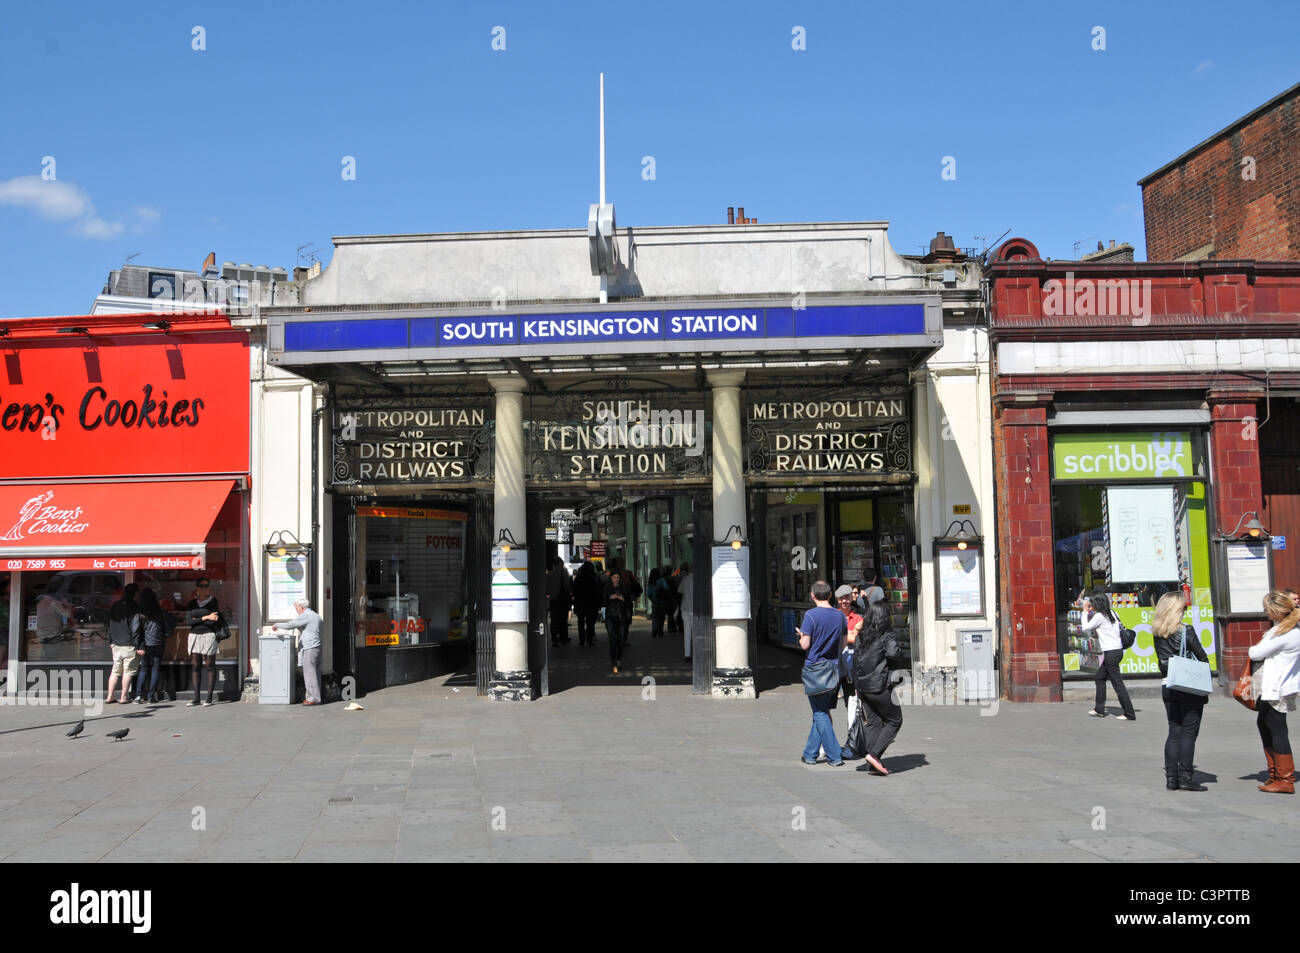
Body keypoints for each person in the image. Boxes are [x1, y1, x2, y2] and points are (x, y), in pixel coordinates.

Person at [1151, 591, 1209, 791]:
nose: (1185, 610)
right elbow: (1203, 658)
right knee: (1188, 733)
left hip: (1168, 685)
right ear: (1177, 610)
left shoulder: (1158, 631)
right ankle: (1185, 778)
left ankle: (1171, 778)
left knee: (1174, 731)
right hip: (1188, 686)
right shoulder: (1186, 631)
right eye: (1183, 607)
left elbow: (1163, 661)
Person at [1248, 589, 1300, 794]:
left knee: (1277, 729)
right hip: (1278, 686)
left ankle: (1284, 779)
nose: (1265, 613)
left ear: (1276, 611)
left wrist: (1259, 644)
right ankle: (1275, 774)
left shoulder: (1286, 633)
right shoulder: (1286, 629)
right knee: (1265, 724)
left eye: (1267, 609)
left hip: (1277, 687)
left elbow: (1256, 652)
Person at [853, 585, 901, 774]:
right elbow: (893, 653)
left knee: (873, 722)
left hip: (863, 685)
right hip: (879, 685)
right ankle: (873, 755)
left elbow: (855, 659)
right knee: (894, 720)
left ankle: (872, 762)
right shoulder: (886, 633)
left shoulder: (862, 635)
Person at [799, 581, 846, 767]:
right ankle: (809, 753)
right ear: (830, 595)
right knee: (821, 711)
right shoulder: (839, 616)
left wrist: (801, 636)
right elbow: (842, 645)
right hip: (833, 668)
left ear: (812, 595)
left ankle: (834, 756)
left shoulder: (810, 616)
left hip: (815, 669)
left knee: (820, 713)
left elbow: (805, 645)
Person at [1083, 590, 1135, 720]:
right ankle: (1099, 709)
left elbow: (1085, 627)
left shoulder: (1099, 616)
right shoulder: (1113, 613)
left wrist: (1084, 611)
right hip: (1116, 651)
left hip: (1111, 653)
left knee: (1118, 684)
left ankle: (1129, 713)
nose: (1091, 605)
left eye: (1092, 603)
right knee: (1100, 678)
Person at [274, 599, 324, 706]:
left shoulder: (306, 615)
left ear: (301, 607)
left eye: (296, 608)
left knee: (309, 673)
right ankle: (315, 696)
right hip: (317, 647)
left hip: (310, 648)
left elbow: (290, 625)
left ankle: (313, 698)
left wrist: (276, 625)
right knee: (315, 673)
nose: (296, 610)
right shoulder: (316, 616)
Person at [132, 588, 173, 703]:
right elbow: (170, 623)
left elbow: (135, 631)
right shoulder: (160, 612)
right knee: (155, 669)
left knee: (144, 668)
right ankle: (151, 696)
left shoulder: (139, 614)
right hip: (158, 642)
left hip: (145, 645)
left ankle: (139, 695)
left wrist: (138, 646)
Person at [185, 578, 222, 707]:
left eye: (206, 586)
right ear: (196, 588)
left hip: (209, 635)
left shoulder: (213, 601)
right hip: (194, 635)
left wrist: (197, 619)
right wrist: (206, 617)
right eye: (201, 586)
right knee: (196, 666)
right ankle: (196, 698)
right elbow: (188, 621)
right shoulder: (191, 603)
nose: (203, 588)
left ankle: (209, 698)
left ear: (209, 588)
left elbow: (214, 621)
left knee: (209, 665)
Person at [104, 583, 140, 704]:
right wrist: (138, 643)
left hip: (116, 643)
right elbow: (135, 626)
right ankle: (123, 697)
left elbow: (110, 623)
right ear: (135, 594)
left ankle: (110, 696)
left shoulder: (115, 605)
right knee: (128, 671)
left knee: (115, 671)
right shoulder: (134, 606)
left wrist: (110, 640)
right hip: (129, 643)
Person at [834, 584, 864, 716]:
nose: (844, 601)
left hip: (852, 666)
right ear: (837, 600)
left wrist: (844, 636)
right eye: (841, 599)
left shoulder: (858, 618)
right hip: (835, 665)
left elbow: (856, 639)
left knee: (851, 702)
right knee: (826, 705)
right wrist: (852, 633)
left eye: (846, 598)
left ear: (851, 598)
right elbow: (848, 638)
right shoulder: (833, 616)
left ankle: (853, 733)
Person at [602, 567, 631, 674]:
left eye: (618, 577)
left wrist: (623, 599)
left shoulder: (623, 588)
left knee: (621, 640)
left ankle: (619, 660)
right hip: (610, 616)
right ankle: (614, 664)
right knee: (612, 639)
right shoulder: (607, 588)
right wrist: (610, 597)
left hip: (621, 616)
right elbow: (603, 600)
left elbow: (628, 602)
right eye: (614, 577)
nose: (616, 579)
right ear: (611, 578)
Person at [572, 561, 602, 647]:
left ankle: (582, 640)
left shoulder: (578, 579)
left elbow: (574, 592)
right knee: (590, 623)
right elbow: (597, 592)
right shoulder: (594, 579)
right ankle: (589, 639)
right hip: (591, 604)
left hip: (580, 604)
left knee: (580, 622)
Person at [546, 557, 573, 646]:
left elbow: (546, 589)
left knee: (554, 619)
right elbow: (567, 587)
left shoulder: (549, 575)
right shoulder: (564, 573)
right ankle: (563, 637)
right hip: (563, 600)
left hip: (553, 600)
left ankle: (554, 637)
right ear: (560, 564)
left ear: (554, 565)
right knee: (563, 619)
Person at [649, 567, 672, 640]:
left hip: (655, 602)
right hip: (662, 601)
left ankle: (654, 629)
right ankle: (660, 631)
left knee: (655, 617)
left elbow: (648, 593)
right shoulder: (661, 580)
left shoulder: (651, 582)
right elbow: (666, 588)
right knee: (661, 617)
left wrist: (652, 599)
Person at [679, 563, 694, 663]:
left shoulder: (685, 579)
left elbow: (679, 590)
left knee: (687, 632)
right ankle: (697, 652)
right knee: (696, 633)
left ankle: (687, 655)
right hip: (695, 609)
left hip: (685, 608)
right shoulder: (700, 580)